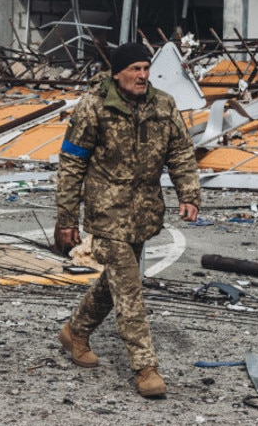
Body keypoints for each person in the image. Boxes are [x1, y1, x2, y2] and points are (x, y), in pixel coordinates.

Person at [54, 42, 200, 398]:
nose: (142, 75)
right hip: (107, 210)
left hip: (144, 210)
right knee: (130, 289)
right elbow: (72, 163)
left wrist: (189, 195)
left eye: (146, 68)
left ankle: (75, 330)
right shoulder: (94, 106)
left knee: (117, 281)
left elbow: (179, 152)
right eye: (134, 68)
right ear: (117, 73)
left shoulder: (163, 104)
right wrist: (67, 218)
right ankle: (145, 367)